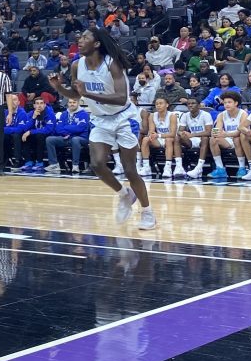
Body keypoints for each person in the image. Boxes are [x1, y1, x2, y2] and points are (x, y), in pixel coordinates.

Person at [49, 28, 156, 230]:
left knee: (130, 170)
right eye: (79, 37)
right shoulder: (76, 65)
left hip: (124, 117)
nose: (79, 40)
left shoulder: (112, 64)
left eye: (85, 37)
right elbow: (76, 94)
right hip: (100, 118)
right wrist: (58, 88)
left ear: (97, 44)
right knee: (97, 164)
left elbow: (121, 98)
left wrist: (88, 94)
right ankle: (125, 195)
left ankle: (148, 212)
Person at [206, 91, 251, 181]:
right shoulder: (221, 115)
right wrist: (215, 132)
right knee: (213, 139)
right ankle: (220, 169)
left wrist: (225, 134)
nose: (226, 105)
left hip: (241, 139)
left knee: (237, 138)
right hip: (227, 140)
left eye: (229, 102)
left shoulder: (243, 114)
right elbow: (218, 130)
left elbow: (241, 131)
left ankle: (242, 168)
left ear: (236, 103)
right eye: (224, 103)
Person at [44, 97, 90, 174]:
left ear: (78, 103)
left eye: (74, 102)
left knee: (75, 139)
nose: (72, 104)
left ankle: (75, 165)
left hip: (82, 139)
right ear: (67, 104)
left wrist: (65, 127)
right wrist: (66, 132)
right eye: (70, 102)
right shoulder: (64, 114)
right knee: (50, 139)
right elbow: (58, 128)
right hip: (66, 137)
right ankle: (54, 164)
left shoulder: (84, 114)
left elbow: (79, 129)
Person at [138, 96, 179, 179]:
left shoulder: (172, 116)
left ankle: (167, 168)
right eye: (156, 104)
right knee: (146, 139)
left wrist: (158, 135)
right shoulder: (152, 115)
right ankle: (146, 167)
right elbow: (152, 131)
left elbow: (173, 134)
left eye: (161, 103)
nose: (158, 105)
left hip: (171, 139)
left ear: (167, 105)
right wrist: (152, 135)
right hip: (159, 139)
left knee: (168, 140)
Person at [181, 98, 215, 179]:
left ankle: (199, 167)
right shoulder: (185, 115)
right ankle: (179, 167)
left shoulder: (206, 115)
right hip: (192, 140)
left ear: (199, 105)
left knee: (205, 138)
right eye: (188, 103)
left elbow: (209, 132)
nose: (190, 105)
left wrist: (192, 135)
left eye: (193, 103)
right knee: (177, 138)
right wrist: (183, 133)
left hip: (203, 140)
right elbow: (180, 131)